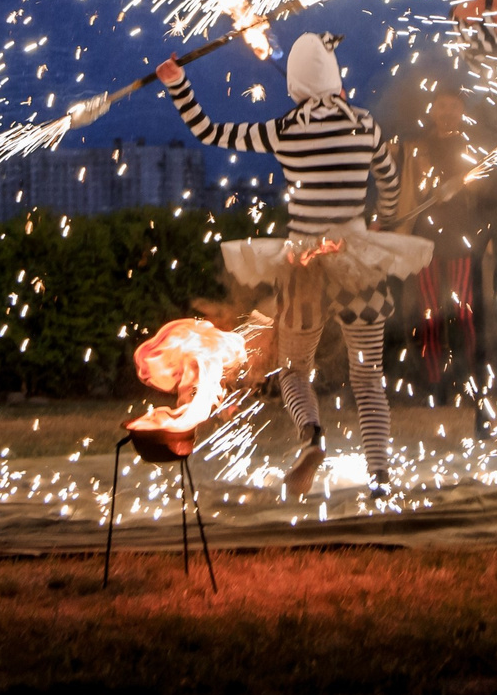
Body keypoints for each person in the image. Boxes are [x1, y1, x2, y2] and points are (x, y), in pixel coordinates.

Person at [157, 33, 429, 497]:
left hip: (305, 265)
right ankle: (380, 478)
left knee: (294, 371)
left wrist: (178, 83)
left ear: (298, 81)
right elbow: (389, 180)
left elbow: (209, 131)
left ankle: (311, 434)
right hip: (358, 264)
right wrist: (383, 218)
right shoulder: (364, 124)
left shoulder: (283, 128)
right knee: (368, 378)